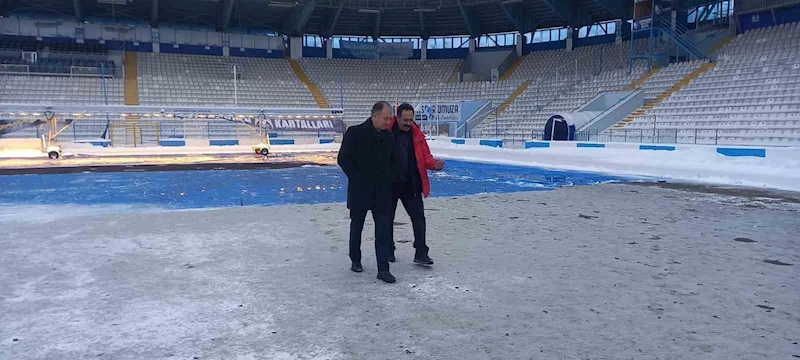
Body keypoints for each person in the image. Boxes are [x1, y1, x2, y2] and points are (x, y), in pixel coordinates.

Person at [337, 101, 397, 283]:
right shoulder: (354, 133)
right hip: (360, 191)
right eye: (386, 118)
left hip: (382, 193)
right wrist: (357, 178)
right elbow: (343, 159)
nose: (388, 122)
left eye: (390, 119)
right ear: (374, 116)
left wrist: (389, 179)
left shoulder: (389, 137)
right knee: (357, 227)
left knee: (384, 230)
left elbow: (394, 162)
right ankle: (355, 259)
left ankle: (383, 268)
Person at [387, 103, 445, 265]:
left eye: (411, 120)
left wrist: (435, 164)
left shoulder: (417, 135)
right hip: (389, 184)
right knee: (386, 219)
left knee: (419, 219)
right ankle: (388, 250)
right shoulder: (386, 133)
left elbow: (426, 157)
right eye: (405, 120)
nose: (408, 123)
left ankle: (421, 252)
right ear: (397, 118)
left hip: (412, 184)